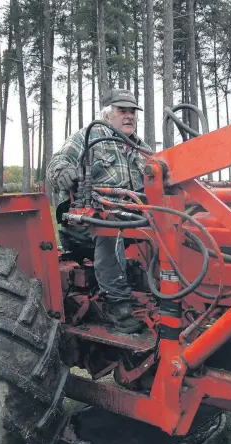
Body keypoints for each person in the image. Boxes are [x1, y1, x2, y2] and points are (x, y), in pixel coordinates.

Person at [47, 89, 151, 334]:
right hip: (87, 220)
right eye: (122, 111)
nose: (129, 117)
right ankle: (119, 307)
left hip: (135, 216)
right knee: (110, 230)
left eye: (132, 112)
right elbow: (56, 163)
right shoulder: (87, 137)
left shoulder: (141, 148)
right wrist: (63, 173)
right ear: (107, 113)